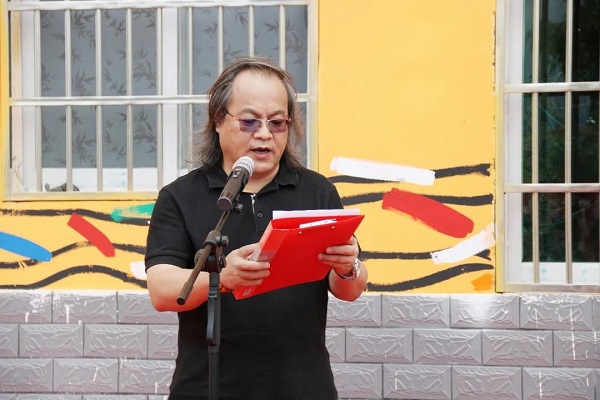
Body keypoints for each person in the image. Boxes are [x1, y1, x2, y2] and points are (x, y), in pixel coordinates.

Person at [145, 56, 368, 400]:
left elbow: (349, 290)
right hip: (207, 387)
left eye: (277, 123)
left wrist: (349, 266)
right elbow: (162, 292)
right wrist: (223, 279)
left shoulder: (317, 192)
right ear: (218, 120)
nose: (264, 134)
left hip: (303, 388)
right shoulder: (180, 196)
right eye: (249, 121)